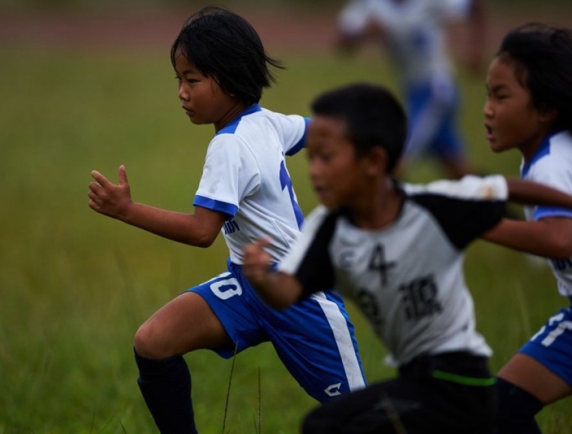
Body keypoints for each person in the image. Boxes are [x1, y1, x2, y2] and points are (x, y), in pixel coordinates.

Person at [87, 7, 365, 433]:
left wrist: (126, 210)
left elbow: (202, 232)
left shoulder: (229, 146)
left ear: (231, 78)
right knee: (153, 342)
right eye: (179, 79)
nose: (181, 91)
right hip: (247, 285)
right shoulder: (266, 122)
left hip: (299, 298)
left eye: (192, 80)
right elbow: (314, 130)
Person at [242, 82, 572, 433]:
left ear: (373, 162)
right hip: (416, 381)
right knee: (322, 424)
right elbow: (287, 292)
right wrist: (263, 279)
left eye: (326, 158)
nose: (314, 170)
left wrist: (570, 204)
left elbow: (507, 188)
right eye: (312, 159)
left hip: (461, 379)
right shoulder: (327, 229)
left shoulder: (431, 206)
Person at [479, 23, 572, 433]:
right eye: (487, 94)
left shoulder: (551, 163)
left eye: (501, 97)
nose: (487, 108)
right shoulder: (551, 152)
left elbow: (558, 238)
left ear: (546, 109)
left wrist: (477, 224)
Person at [335, 0, 486, 180]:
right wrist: (365, 33)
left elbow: (474, 6)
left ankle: (383, 207)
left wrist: (475, 49)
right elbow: (342, 42)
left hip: (435, 90)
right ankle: (495, 200)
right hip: (413, 93)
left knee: (394, 160)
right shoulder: (373, 5)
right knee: (458, 170)